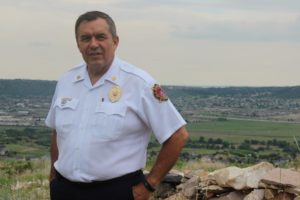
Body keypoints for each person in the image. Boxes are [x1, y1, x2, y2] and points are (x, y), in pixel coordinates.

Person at [45, 10, 189, 200]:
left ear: (115, 41)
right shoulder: (67, 80)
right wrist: (55, 173)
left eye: (101, 37)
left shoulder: (139, 83)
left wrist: (149, 185)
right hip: (65, 190)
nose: (93, 44)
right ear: (78, 44)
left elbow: (177, 135)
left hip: (117, 191)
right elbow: (57, 131)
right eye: (86, 38)